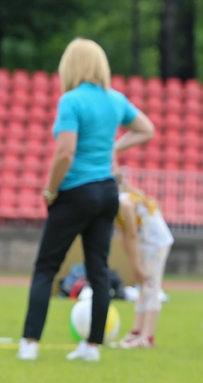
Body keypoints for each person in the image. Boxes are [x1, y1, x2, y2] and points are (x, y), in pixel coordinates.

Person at [16, 38, 154, 362]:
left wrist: (49, 190)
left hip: (76, 192)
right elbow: (146, 129)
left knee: (46, 267)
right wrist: (113, 148)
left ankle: (30, 342)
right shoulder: (115, 99)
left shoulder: (71, 100)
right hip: (107, 192)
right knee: (98, 270)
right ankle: (92, 346)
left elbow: (65, 152)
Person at [114, 173, 173, 348]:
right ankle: (137, 332)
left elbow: (131, 235)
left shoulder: (124, 203)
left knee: (151, 286)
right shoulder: (114, 205)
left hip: (156, 243)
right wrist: (134, 267)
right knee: (141, 287)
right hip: (144, 243)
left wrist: (136, 267)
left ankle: (147, 336)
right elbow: (124, 238)